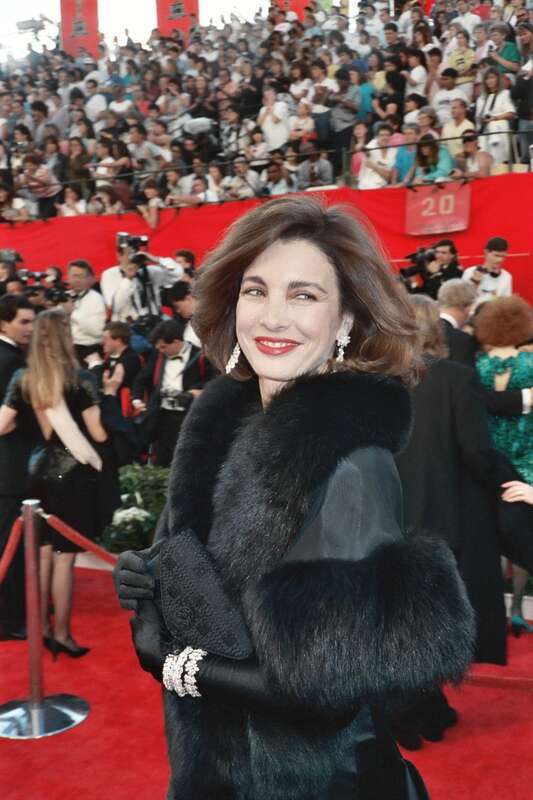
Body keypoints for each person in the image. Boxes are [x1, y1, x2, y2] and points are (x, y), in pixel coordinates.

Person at [114, 196, 474, 800]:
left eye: (304, 295)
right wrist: (148, 576)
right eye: (256, 291)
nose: (272, 317)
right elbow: (205, 565)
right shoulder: (219, 420)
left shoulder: (354, 463)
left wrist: (175, 664)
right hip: (217, 771)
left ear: (345, 322)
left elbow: (322, 691)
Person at [0, 309, 111, 657]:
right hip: (71, 475)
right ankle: (61, 634)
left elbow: (2, 426)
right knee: (64, 557)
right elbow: (98, 434)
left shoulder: (23, 377)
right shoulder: (82, 379)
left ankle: (42, 628)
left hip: (36, 472)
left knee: (42, 552)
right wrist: (107, 393)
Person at [474, 297, 533, 635]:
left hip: (492, 458)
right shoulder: (528, 363)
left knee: (494, 532)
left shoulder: (478, 366)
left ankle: (494, 605)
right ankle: (517, 609)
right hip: (525, 455)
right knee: (523, 531)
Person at [0, 294, 34, 639]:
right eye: (23, 321)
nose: (30, 328)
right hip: (10, 463)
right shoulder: (11, 362)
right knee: (7, 541)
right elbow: (6, 423)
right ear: (4, 322)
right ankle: (8, 621)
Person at [131, 320, 206, 467]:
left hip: (188, 415)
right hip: (162, 414)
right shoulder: (158, 356)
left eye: (164, 347)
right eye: (158, 348)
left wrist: (197, 392)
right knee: (162, 459)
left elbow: (212, 381)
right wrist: (137, 399)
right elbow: (141, 378)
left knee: (187, 458)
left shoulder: (201, 356)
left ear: (177, 341)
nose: (161, 350)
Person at [68, 260, 106, 364]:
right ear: (68, 277)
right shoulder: (64, 297)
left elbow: (98, 331)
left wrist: (73, 313)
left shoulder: (96, 299)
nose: (77, 280)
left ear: (89, 279)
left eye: (81, 276)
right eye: (74, 276)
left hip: (89, 350)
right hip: (67, 350)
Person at [475, 67, 516, 165]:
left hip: (499, 129)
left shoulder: (504, 94)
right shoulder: (481, 98)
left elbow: (511, 113)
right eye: (487, 78)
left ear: (498, 79)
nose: (489, 81)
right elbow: (478, 118)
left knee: (498, 159)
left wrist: (495, 118)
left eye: (492, 77)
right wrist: (482, 120)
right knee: (484, 158)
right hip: (484, 131)